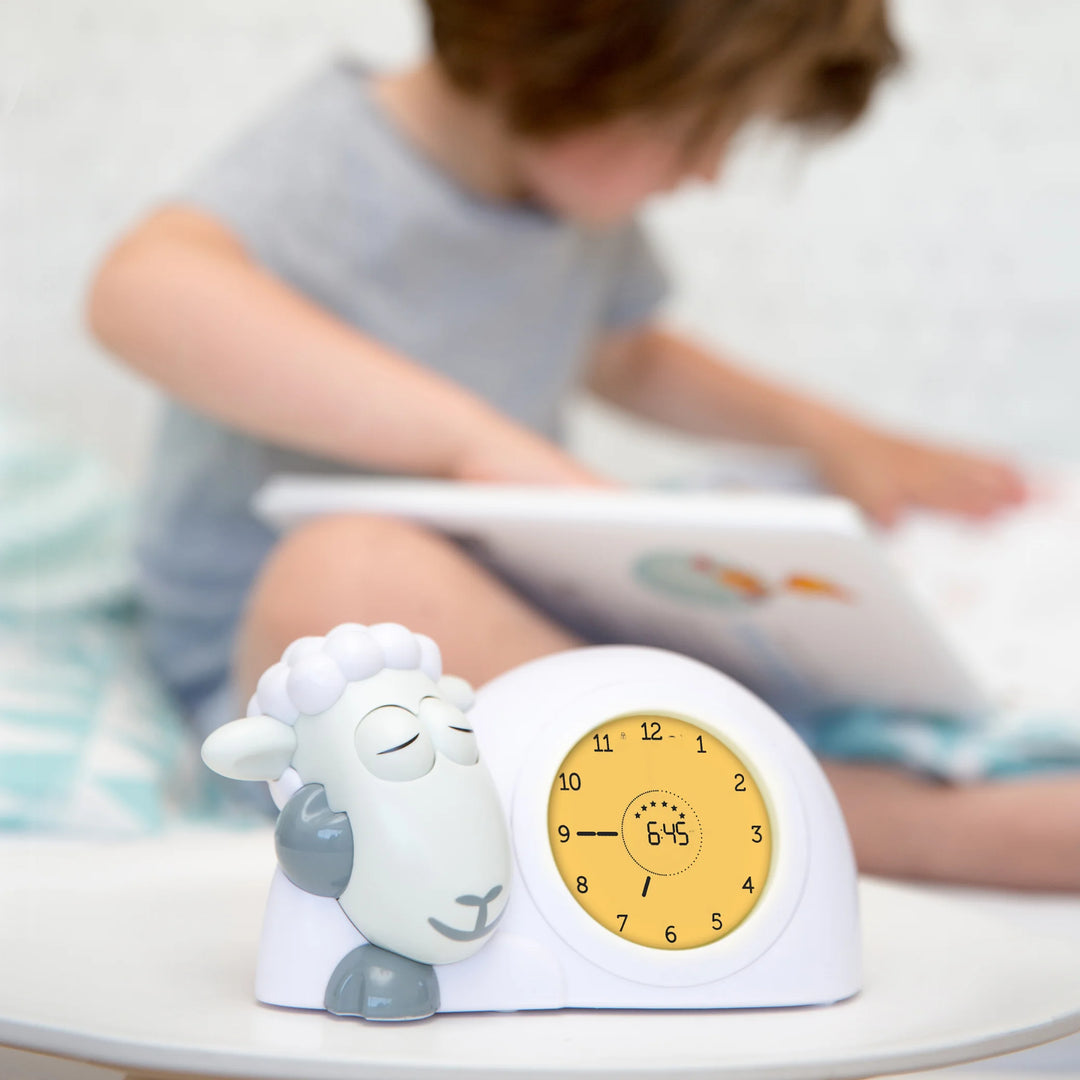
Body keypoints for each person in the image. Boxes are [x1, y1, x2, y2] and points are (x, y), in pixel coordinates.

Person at [88, 0, 1069, 891]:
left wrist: (836, 434)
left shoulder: (562, 198)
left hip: (478, 613)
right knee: (343, 573)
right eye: (696, 127)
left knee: (729, 541)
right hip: (282, 665)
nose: (711, 169)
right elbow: (140, 290)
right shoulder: (341, 155)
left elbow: (629, 351)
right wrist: (479, 446)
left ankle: (745, 753)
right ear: (556, 58)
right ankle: (855, 816)